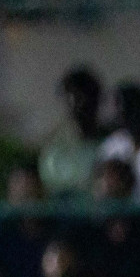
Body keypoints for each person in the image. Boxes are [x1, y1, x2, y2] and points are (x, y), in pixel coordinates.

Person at [40, 67, 106, 197]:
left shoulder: (113, 144)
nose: (80, 106)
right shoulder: (54, 147)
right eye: (74, 98)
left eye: (86, 99)